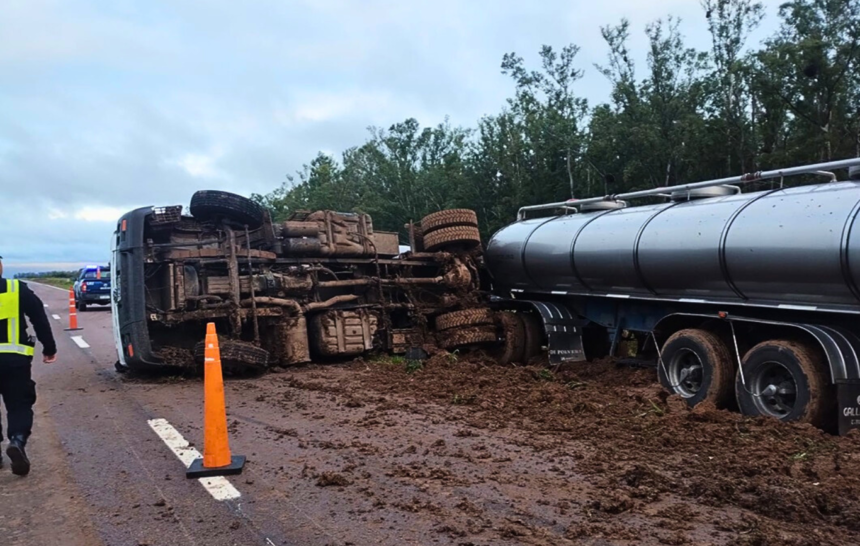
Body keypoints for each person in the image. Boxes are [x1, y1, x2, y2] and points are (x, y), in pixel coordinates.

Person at [0, 256, 57, 476]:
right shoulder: (16, 289)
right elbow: (39, 318)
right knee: (19, 405)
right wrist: (49, 347)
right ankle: (17, 440)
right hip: (14, 361)